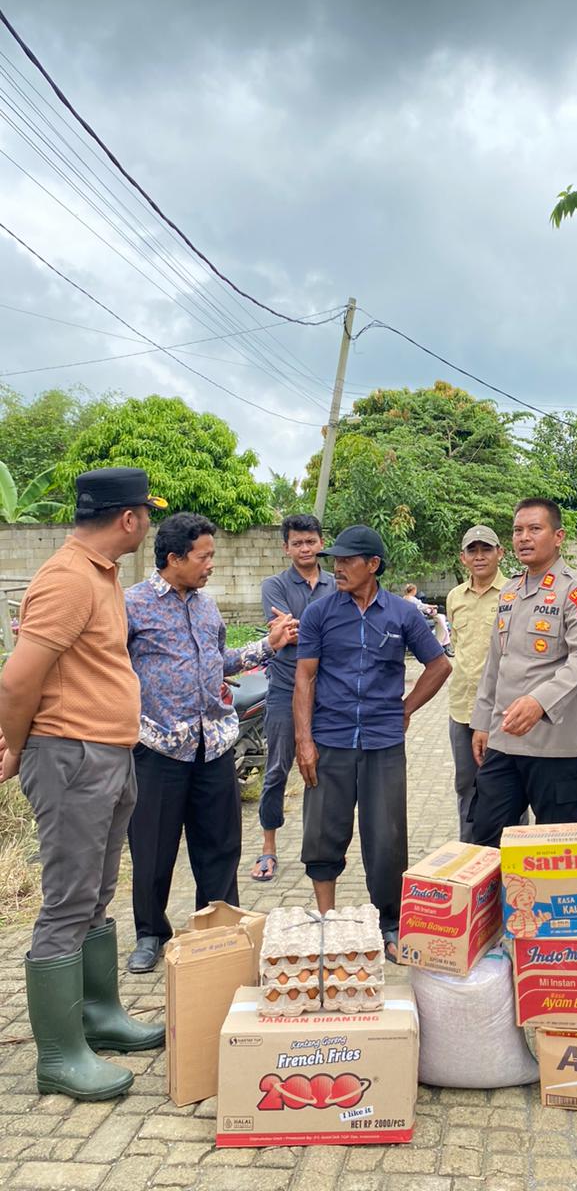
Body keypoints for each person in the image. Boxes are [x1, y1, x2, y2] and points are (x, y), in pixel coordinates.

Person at [0, 468, 166, 1100]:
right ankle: (60, 1055)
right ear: (128, 518)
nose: (148, 523)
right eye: (146, 513)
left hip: (106, 754)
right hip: (71, 756)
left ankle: (98, 1018)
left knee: (95, 895)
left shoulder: (102, 575)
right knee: (68, 901)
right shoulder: (68, 578)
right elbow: (17, 681)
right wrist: (18, 747)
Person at [125, 512, 297, 973]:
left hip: (214, 744)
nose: (211, 564)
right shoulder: (133, 605)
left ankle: (219, 928)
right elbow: (110, 665)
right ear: (174, 558)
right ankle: (150, 933)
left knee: (220, 846)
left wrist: (269, 645)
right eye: (203, 557)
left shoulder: (206, 606)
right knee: (153, 848)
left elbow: (221, 659)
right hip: (159, 747)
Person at [294, 525, 451, 960]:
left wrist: (407, 708)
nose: (338, 568)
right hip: (331, 739)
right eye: (336, 561)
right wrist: (304, 741)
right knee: (323, 831)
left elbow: (439, 666)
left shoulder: (402, 614)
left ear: (373, 565)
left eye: (347, 560)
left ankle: (390, 924)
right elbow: (305, 677)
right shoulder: (320, 614)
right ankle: (326, 920)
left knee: (386, 837)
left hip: (383, 742)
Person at [470, 499, 577, 846]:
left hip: (557, 747)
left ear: (558, 536)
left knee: (553, 850)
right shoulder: (510, 592)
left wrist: (539, 702)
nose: (524, 538)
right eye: (518, 530)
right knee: (486, 836)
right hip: (504, 741)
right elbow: (496, 663)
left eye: (534, 529)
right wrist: (482, 722)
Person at [250, 514, 335, 882]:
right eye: (297, 543)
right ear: (286, 548)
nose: (305, 548)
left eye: (310, 541)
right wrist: (320, 630)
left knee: (327, 769)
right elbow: (283, 634)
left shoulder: (336, 583)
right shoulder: (274, 585)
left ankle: (323, 845)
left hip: (328, 691)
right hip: (285, 689)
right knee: (277, 769)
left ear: (321, 543)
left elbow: (314, 630)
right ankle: (268, 847)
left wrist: (303, 628)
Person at [445, 525, 507, 840]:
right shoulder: (455, 597)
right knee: (466, 786)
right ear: (463, 557)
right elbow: (457, 645)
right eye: (473, 550)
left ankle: (509, 857)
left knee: (505, 789)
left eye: (486, 549)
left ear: (500, 553)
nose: (479, 556)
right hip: (462, 709)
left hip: (503, 711)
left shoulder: (514, 593)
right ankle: (470, 854)